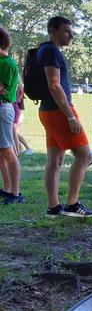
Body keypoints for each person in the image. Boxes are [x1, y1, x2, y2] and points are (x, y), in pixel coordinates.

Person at [37, 16, 92, 217]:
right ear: (53, 30)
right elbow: (54, 84)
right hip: (58, 112)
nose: (71, 35)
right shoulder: (51, 51)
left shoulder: (43, 49)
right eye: (66, 31)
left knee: (55, 160)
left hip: (47, 110)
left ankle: (53, 207)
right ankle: (72, 204)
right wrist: (70, 116)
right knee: (84, 155)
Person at [0, 26, 23, 204]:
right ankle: (7, 190)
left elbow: (2, 89)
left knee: (8, 150)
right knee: (1, 152)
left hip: (3, 108)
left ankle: (15, 193)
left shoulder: (7, 63)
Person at [13, 80, 33, 156]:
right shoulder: (19, 86)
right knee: (14, 133)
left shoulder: (16, 87)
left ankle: (28, 148)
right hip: (17, 110)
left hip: (15, 110)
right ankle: (20, 149)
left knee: (14, 132)